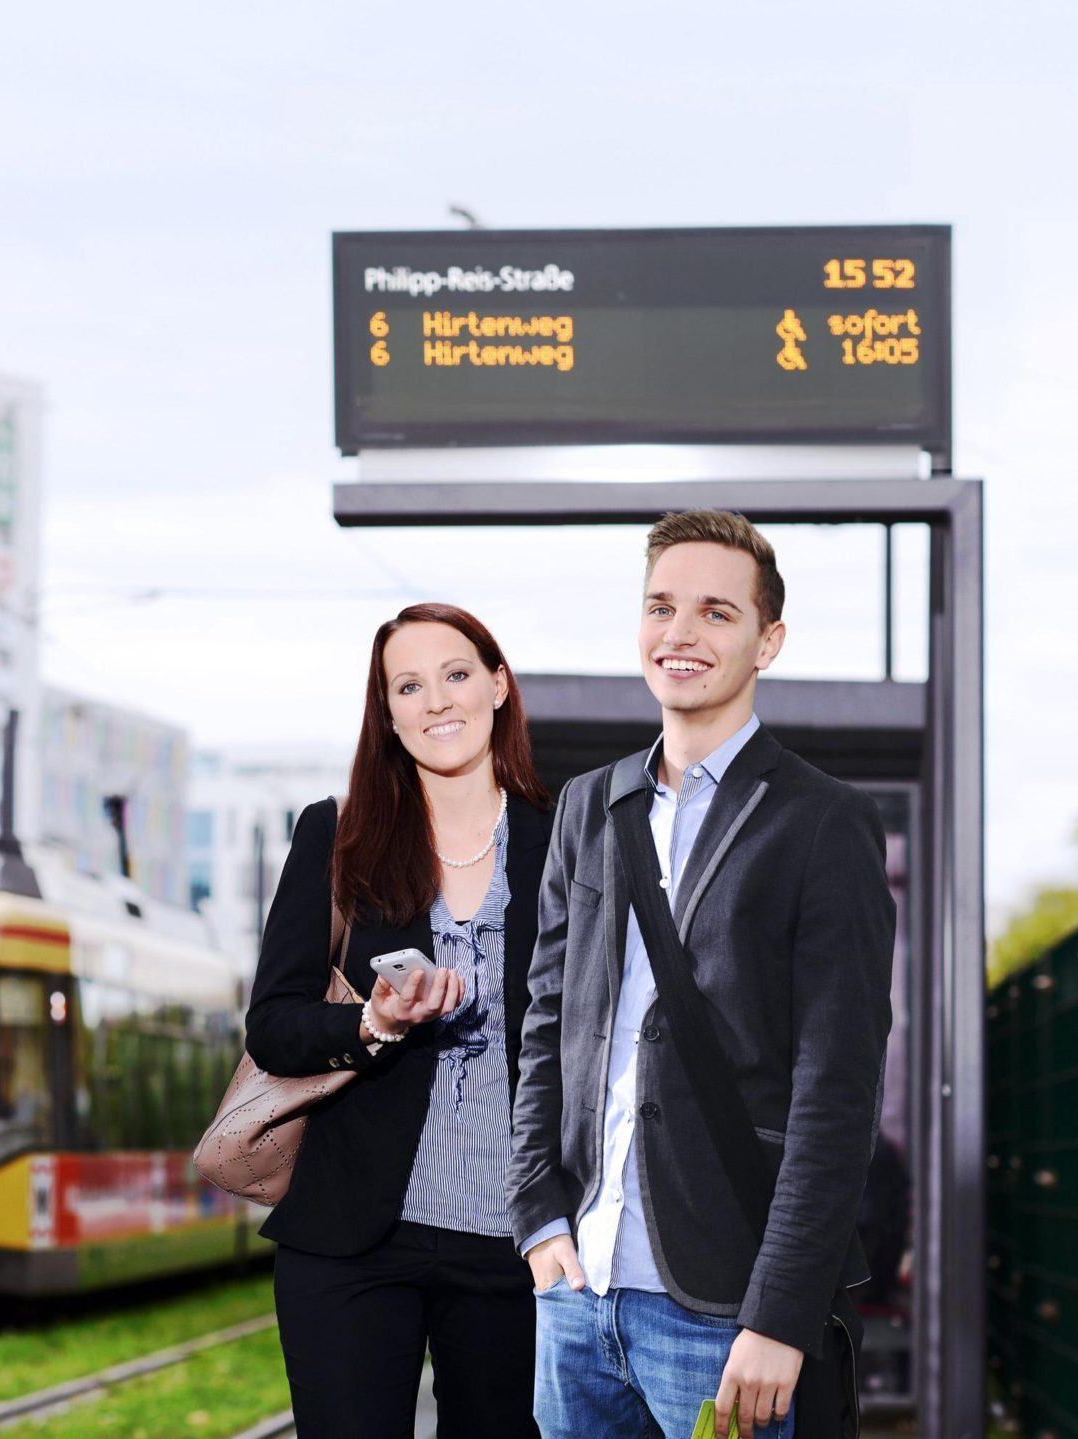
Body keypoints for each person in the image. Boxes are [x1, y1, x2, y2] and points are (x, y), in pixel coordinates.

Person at [509, 510, 896, 1439]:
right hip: (577, 1294)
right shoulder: (586, 807)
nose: (680, 632)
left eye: (716, 612)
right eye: (661, 606)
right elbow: (547, 1019)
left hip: (724, 1310)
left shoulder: (823, 822)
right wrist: (537, 1217)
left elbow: (836, 1093)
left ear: (768, 640)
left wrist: (780, 1311)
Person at [245, 602, 552, 1438]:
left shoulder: (566, 841)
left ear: (497, 685)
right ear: (387, 712)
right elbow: (272, 1024)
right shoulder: (336, 836)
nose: (436, 701)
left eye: (455, 674)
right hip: (350, 1241)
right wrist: (372, 1027)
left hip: (517, 1248)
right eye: (407, 685)